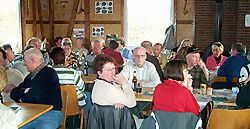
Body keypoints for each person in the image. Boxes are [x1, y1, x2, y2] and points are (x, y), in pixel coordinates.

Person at [4, 48, 62, 129]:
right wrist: (24, 91)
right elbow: (14, 95)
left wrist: (23, 94)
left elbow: (34, 96)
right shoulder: (29, 76)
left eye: (25, 60)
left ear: (32, 60)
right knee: (12, 127)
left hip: (50, 113)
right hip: (30, 114)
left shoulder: (49, 72)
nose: (24, 64)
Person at [49, 47, 91, 118]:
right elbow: (82, 87)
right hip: (74, 104)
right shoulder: (72, 72)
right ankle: (86, 121)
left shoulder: (48, 72)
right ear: (65, 58)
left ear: (51, 60)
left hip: (54, 104)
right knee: (88, 96)